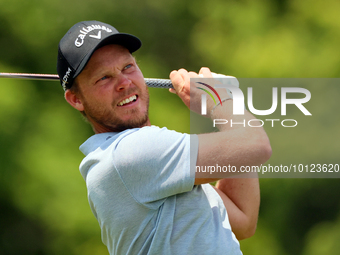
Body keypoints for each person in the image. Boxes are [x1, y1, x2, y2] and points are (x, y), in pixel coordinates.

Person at [57, 20, 271, 255]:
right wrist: (220, 98)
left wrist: (230, 102)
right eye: (104, 78)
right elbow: (257, 146)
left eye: (127, 67)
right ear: (76, 99)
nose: (125, 83)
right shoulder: (131, 152)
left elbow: (242, 219)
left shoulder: (159, 168)